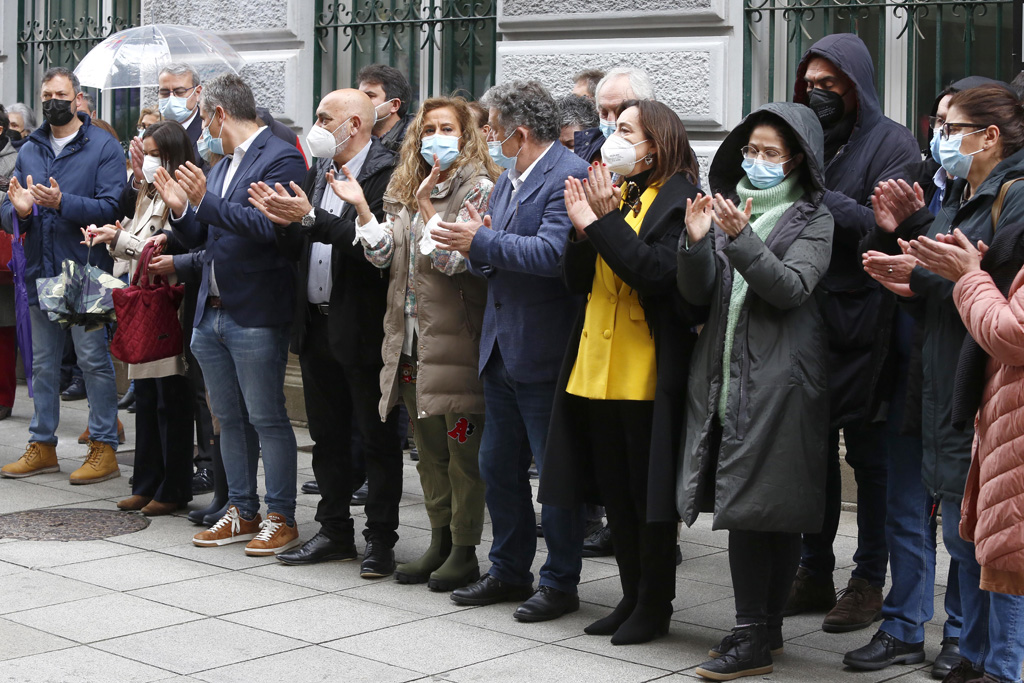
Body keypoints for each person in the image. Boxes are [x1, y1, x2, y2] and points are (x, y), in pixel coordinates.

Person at [843, 77, 1014, 678]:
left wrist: (921, 271)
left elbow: (984, 285)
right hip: (914, 371)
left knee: (974, 532)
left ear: (988, 135)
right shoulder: (942, 183)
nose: (939, 136)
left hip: (972, 382)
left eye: (950, 126)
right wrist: (898, 237)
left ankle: (970, 645)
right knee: (916, 510)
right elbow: (934, 268)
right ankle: (912, 630)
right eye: (936, 125)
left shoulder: (1008, 194)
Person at [677, 103, 832, 680]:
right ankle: (763, 629)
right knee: (755, 505)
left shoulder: (814, 217)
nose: (756, 161)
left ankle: (752, 635)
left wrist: (741, 239)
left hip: (781, 384)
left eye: (770, 153)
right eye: (750, 150)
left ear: (797, 161)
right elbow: (699, 296)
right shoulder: (726, 207)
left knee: (762, 509)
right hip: (724, 379)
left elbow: (790, 288)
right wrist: (697, 244)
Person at [541, 99, 701, 644]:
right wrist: (582, 232)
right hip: (596, 366)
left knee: (646, 499)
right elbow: (576, 280)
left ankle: (655, 605)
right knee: (614, 494)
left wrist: (601, 222)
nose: (613, 136)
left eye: (626, 129)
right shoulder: (624, 192)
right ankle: (631, 597)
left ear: (656, 143)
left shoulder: (681, 199)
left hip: (645, 371)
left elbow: (654, 273)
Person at [431, 79, 588, 623]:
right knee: (497, 465)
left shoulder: (567, 173)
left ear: (520, 133)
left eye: (494, 129)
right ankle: (508, 569)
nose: (489, 138)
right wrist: (477, 245)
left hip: (544, 348)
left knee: (555, 474)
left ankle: (560, 581)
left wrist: (480, 241)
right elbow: (489, 256)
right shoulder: (509, 177)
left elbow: (550, 255)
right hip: (499, 346)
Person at [786, 33, 921, 633]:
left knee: (870, 460)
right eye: (810, 84)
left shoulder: (893, 143)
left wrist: (818, 197)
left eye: (830, 84)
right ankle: (812, 569)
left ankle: (867, 580)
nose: (818, 94)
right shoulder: (805, 136)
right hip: (809, 316)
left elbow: (884, 227)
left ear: (856, 85)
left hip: (869, 323)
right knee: (811, 454)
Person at [249, 88, 405, 577]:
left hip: (363, 325)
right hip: (315, 322)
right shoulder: (319, 170)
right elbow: (300, 243)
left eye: (323, 117)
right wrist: (283, 222)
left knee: (376, 440)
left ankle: (380, 539)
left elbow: (374, 251)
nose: (315, 126)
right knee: (328, 437)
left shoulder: (388, 171)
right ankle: (334, 530)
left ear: (353, 124)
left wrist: (311, 219)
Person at [152, 73, 307, 556]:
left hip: (255, 310)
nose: (201, 130)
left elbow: (267, 227)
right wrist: (182, 211)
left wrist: (204, 202)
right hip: (210, 311)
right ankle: (242, 509)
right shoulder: (220, 165)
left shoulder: (279, 155)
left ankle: (281, 515)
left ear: (219, 113)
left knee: (267, 417)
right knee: (227, 419)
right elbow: (203, 236)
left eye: (204, 119)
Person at [350, 96, 500, 590]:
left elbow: (457, 261)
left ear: (466, 136)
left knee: (463, 453)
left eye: (447, 128)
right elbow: (383, 257)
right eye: (429, 128)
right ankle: (439, 540)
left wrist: (427, 209)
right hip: (411, 339)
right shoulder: (408, 185)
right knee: (429, 450)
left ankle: (464, 549)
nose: (437, 137)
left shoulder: (479, 188)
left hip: (457, 340)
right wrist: (362, 209)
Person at [909, 222, 1024, 683]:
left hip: (1013, 430)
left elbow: (1012, 333)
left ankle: (999, 670)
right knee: (992, 549)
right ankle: (980, 663)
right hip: (1006, 424)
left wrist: (971, 277)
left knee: (1010, 556)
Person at [0, 67, 125, 485]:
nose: (53, 102)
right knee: (42, 365)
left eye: (61, 95)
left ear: (78, 99)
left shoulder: (102, 146)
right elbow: (10, 204)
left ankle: (104, 445)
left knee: (92, 361)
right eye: (47, 96)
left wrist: (61, 202)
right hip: (41, 268)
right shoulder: (31, 147)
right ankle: (43, 444)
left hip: (83, 270)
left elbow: (112, 207)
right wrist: (18, 211)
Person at [84, 120, 195, 516]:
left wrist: (119, 239)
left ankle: (173, 487)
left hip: (167, 306)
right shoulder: (147, 190)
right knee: (146, 400)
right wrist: (113, 236)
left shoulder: (181, 191)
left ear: (173, 155)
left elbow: (161, 245)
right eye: (145, 153)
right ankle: (145, 483)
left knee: (170, 401)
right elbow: (135, 237)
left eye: (155, 154)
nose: (147, 161)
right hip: (143, 302)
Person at [0, 105, 18, 421]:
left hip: (4, 262)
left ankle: (3, 397)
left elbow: (15, 205)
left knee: (4, 329)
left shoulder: (16, 159)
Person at [358, 64, 414, 153]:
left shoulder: (416, 143)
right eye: (360, 96)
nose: (361, 101)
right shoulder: (353, 139)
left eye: (370, 96)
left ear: (394, 105)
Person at [594, 67, 654, 138]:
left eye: (621, 111)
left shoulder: (665, 143)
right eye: (604, 113)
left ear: (649, 110)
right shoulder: (585, 142)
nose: (611, 122)